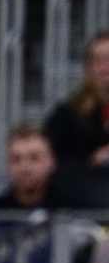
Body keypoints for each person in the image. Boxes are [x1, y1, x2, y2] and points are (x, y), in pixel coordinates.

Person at [45, 30, 109, 174]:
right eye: (98, 61)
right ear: (88, 69)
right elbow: (49, 165)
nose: (105, 68)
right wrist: (92, 161)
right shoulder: (66, 115)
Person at [0, 125, 59, 216]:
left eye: (34, 158)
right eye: (16, 159)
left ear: (51, 162)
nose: (24, 167)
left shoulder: (71, 211)